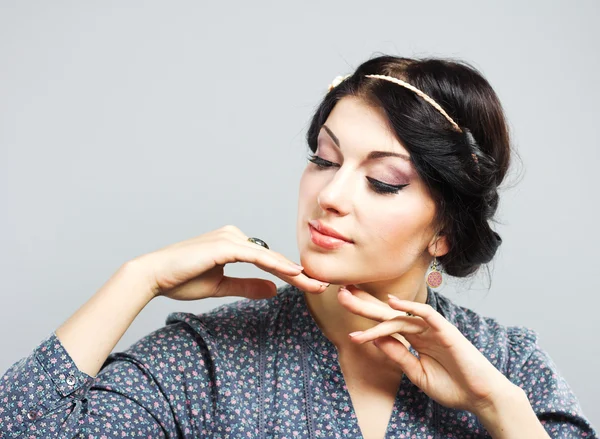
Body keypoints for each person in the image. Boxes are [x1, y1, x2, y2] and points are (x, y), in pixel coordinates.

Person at [0, 55, 596, 439]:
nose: (330, 194)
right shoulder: (206, 361)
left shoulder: (510, 366)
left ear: (445, 231)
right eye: (324, 159)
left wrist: (495, 406)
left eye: (382, 180)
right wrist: (138, 279)